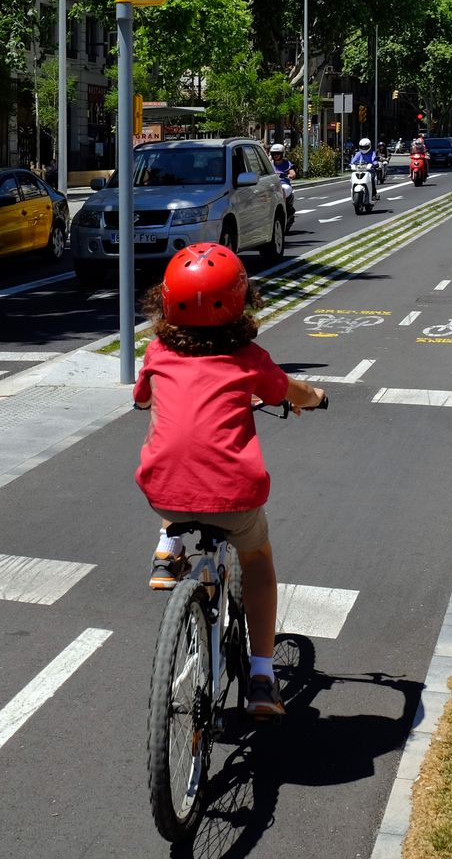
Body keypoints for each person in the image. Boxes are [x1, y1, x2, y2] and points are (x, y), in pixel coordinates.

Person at [133, 242, 325, 719]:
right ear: (241, 301)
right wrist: (316, 396)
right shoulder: (249, 358)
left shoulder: (158, 352)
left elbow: (142, 401)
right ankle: (262, 675)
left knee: (168, 458)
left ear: (166, 301)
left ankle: (169, 546)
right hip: (234, 499)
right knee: (257, 560)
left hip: (166, 495)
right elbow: (290, 390)